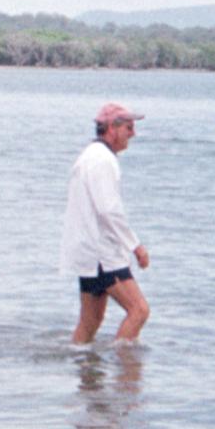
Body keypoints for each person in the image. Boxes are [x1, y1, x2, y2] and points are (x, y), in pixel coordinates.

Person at [61, 102, 151, 344]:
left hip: (87, 250)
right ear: (112, 128)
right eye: (129, 128)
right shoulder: (102, 160)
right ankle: (125, 367)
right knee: (139, 311)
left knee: (89, 322)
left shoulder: (90, 155)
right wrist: (136, 246)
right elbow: (108, 210)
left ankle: (83, 366)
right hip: (102, 255)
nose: (133, 134)